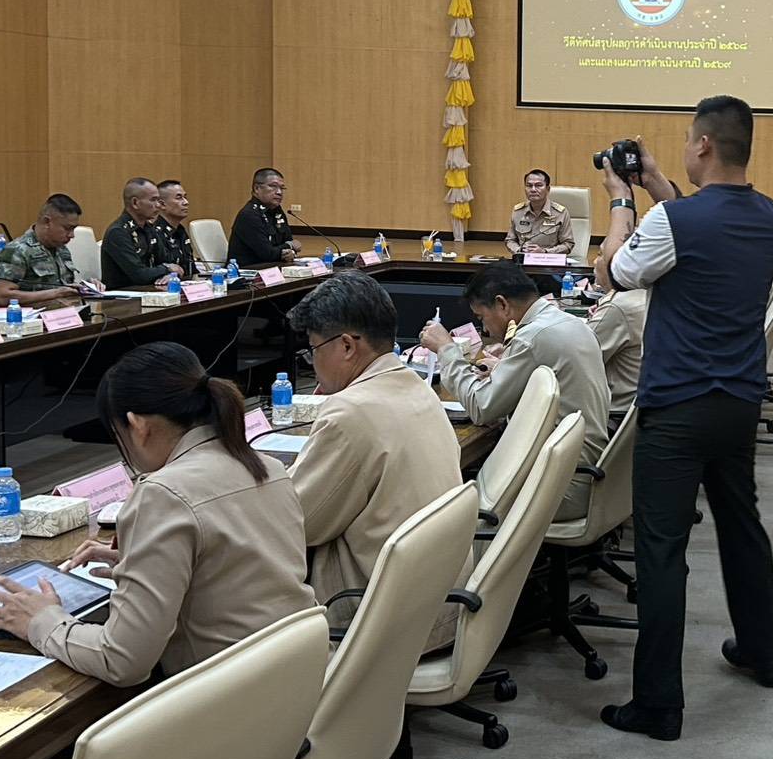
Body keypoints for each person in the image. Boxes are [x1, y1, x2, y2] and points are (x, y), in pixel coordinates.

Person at [0, 342, 317, 759]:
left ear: (138, 424)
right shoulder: (263, 466)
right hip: (280, 718)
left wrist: (40, 620)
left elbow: (123, 661)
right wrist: (140, 562)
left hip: (219, 740)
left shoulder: (164, 493)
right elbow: (234, 565)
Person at [593, 96, 773, 742]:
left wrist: (622, 199)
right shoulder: (766, 213)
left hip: (676, 408)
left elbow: (614, 273)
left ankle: (657, 704)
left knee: (661, 551)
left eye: (684, 141)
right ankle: (760, 650)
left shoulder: (674, 219)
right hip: (738, 402)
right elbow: (697, 227)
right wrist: (656, 183)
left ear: (702, 144)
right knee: (742, 527)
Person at [288, 272, 464, 649]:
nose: (313, 362)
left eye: (314, 349)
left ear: (346, 346)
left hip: (379, 626)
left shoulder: (350, 413)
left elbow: (296, 524)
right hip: (440, 605)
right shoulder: (416, 386)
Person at [421, 261, 608, 519]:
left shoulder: (534, 336)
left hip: (562, 484)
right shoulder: (565, 321)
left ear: (502, 304)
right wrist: (504, 369)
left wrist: (446, 349)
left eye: (481, 317)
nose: (485, 329)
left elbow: (481, 407)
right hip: (584, 471)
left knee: (439, 501)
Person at [0, 193, 87, 307]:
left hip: (65, 311)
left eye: (73, 229)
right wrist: (55, 293)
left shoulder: (61, 249)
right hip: (35, 315)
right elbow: (3, 297)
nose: (72, 235)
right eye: (67, 228)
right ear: (47, 222)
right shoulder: (17, 251)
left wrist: (84, 287)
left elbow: (64, 285)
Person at [101, 178, 183, 290]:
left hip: (152, 291)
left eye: (158, 200)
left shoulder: (148, 228)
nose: (158, 205)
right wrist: (167, 269)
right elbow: (140, 275)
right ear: (135, 203)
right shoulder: (118, 232)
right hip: (124, 296)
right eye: (153, 200)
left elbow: (169, 262)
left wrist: (171, 275)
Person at [586, 285, 649, 428]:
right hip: (638, 406)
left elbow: (579, 355)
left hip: (614, 415)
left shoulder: (618, 306)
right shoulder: (646, 295)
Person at [227, 167, 300, 265]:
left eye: (282, 188)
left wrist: (290, 251)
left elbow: (288, 240)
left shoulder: (277, 211)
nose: (279, 192)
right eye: (273, 186)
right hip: (249, 270)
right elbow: (267, 254)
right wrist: (290, 246)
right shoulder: (249, 215)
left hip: (273, 267)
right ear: (257, 188)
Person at [505, 169, 574, 257]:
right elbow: (510, 240)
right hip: (523, 261)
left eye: (538, 185)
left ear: (548, 189)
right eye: (529, 185)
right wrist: (519, 250)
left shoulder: (560, 213)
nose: (533, 189)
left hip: (549, 262)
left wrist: (544, 252)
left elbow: (568, 244)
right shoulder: (518, 211)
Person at [154, 179, 196, 274]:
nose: (186, 202)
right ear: (162, 204)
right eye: (179, 198)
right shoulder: (155, 233)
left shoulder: (180, 231)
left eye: (185, 197)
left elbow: (191, 269)